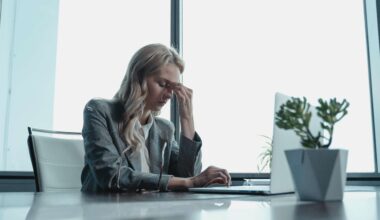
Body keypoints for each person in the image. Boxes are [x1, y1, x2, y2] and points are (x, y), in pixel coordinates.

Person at [81, 43, 231, 192]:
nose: (169, 95)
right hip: (106, 211)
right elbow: (111, 176)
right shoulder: (98, 110)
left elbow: (187, 177)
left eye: (173, 88)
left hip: (151, 211)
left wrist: (187, 120)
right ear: (138, 78)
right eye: (163, 84)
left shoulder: (164, 128)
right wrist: (189, 182)